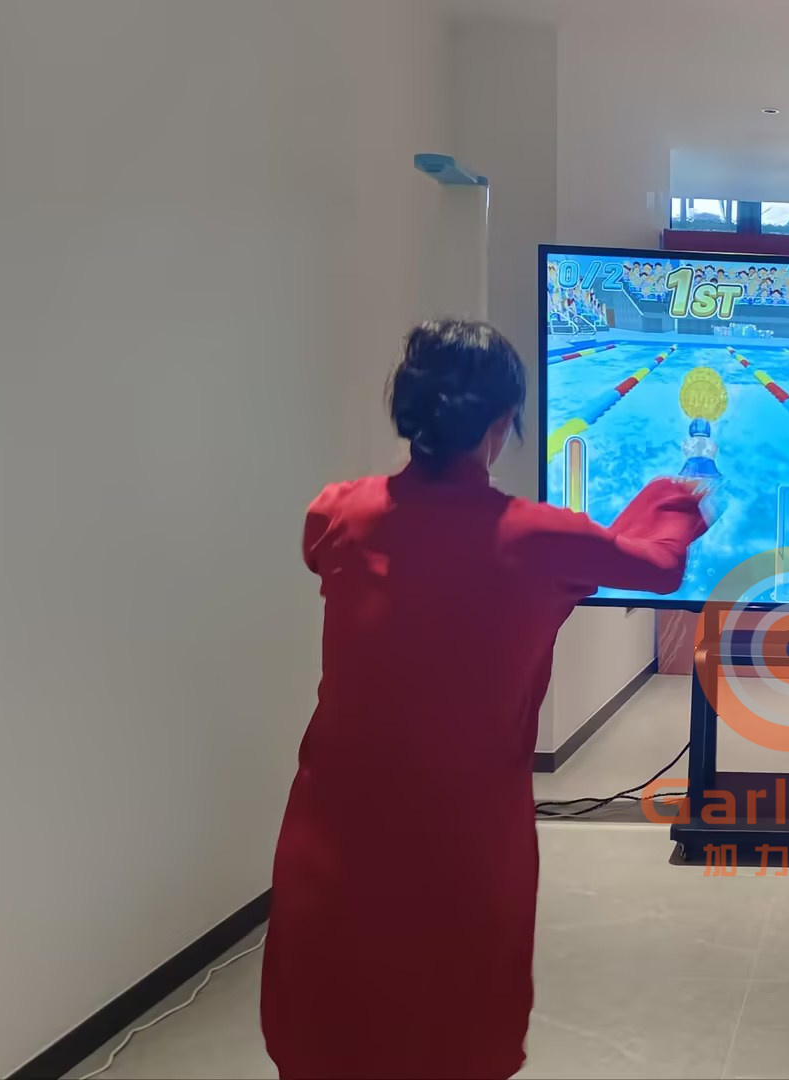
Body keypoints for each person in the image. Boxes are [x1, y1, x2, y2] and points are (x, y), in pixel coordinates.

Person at [261, 319, 710, 1080]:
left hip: (336, 826)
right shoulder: (541, 540)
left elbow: (329, 546)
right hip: (463, 836)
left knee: (329, 1023)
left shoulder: (338, 513)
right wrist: (668, 498)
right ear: (502, 424)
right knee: (453, 1030)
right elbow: (657, 566)